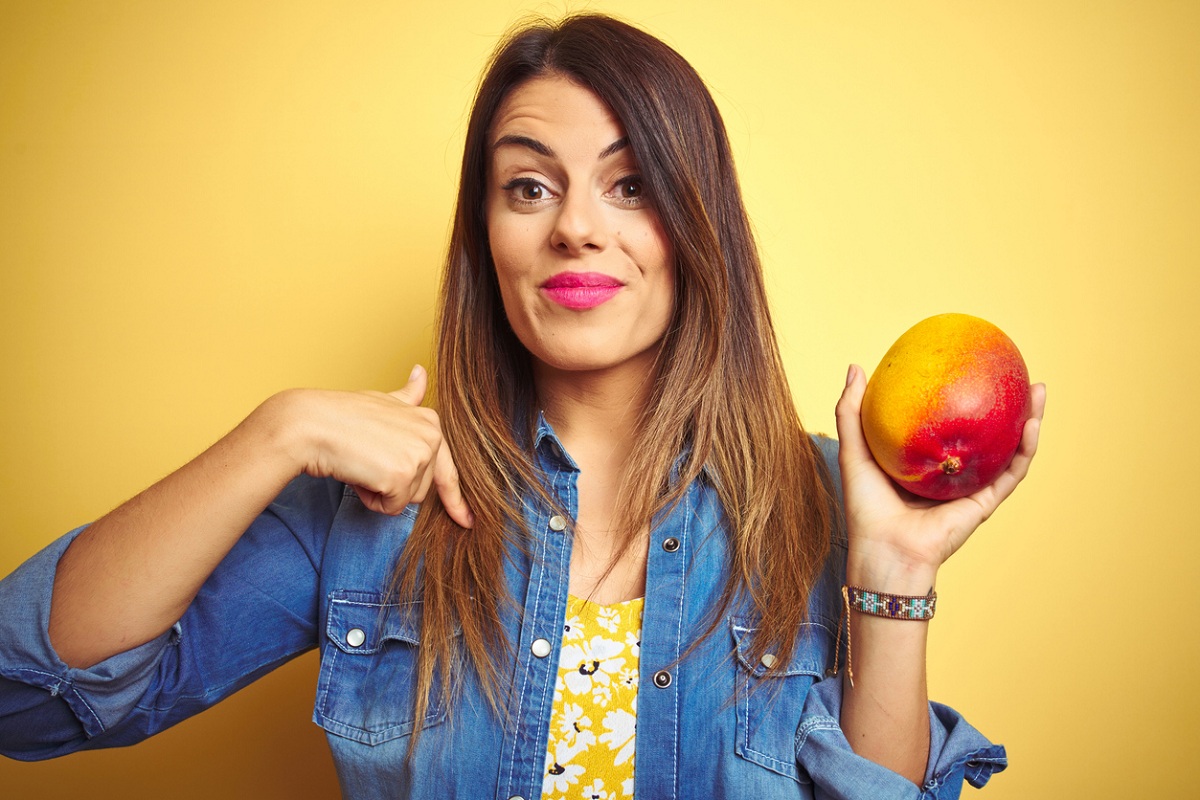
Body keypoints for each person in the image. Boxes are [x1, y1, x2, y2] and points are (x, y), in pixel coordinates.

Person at [0, 13, 1044, 800]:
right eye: (530, 187)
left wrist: (894, 575)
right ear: (486, 236)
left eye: (630, 185)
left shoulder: (817, 502)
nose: (578, 228)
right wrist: (280, 431)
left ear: (697, 224)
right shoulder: (376, 503)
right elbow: (34, 694)